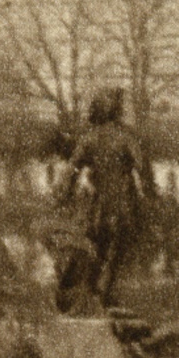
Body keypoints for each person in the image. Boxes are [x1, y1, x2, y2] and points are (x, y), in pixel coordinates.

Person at [52, 87, 155, 314]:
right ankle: (102, 294)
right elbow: (143, 169)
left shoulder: (90, 139)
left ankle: (92, 294)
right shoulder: (127, 138)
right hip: (124, 207)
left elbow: (71, 170)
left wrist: (64, 195)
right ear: (116, 111)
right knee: (119, 250)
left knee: (96, 250)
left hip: (98, 209)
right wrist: (150, 195)